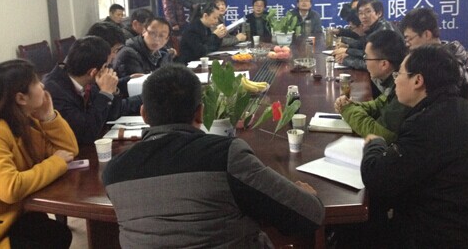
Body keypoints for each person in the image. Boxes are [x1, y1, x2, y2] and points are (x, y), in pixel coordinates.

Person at [102, 64, 324, 248]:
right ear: (200, 113)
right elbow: (309, 215)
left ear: (144, 114)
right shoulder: (225, 155)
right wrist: (306, 196)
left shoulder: (114, 173)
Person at [361, 45, 468, 248]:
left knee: (362, 223)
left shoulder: (429, 124)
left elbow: (377, 179)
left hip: (446, 236)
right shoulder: (463, 109)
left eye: (399, 74)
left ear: (417, 81)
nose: (396, 80)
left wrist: (375, 144)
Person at [0, 59, 78, 248]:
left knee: (59, 234)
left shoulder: (27, 122)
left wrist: (49, 117)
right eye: (36, 82)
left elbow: (68, 152)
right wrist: (55, 163)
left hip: (16, 216)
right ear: (21, 98)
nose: (42, 86)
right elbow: (10, 188)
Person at [43, 36, 138, 145]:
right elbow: (86, 134)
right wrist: (105, 93)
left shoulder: (86, 80)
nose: (109, 70)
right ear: (92, 72)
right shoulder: (55, 92)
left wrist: (112, 89)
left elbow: (112, 115)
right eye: (106, 66)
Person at [334, 30, 409, 144]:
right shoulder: (393, 83)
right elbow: (378, 105)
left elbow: (378, 134)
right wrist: (350, 105)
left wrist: (348, 110)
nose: (365, 62)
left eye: (366, 57)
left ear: (384, 64)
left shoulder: (404, 89)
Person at [399, 7, 468, 81]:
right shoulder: (418, 57)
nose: (407, 44)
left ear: (427, 34)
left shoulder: (453, 55)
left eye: (409, 39)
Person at [333, 0, 401, 71]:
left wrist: (345, 59)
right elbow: (363, 44)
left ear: (379, 13)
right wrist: (347, 50)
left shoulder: (383, 31)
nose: (363, 16)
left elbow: (372, 64)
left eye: (368, 12)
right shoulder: (375, 26)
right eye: (360, 13)